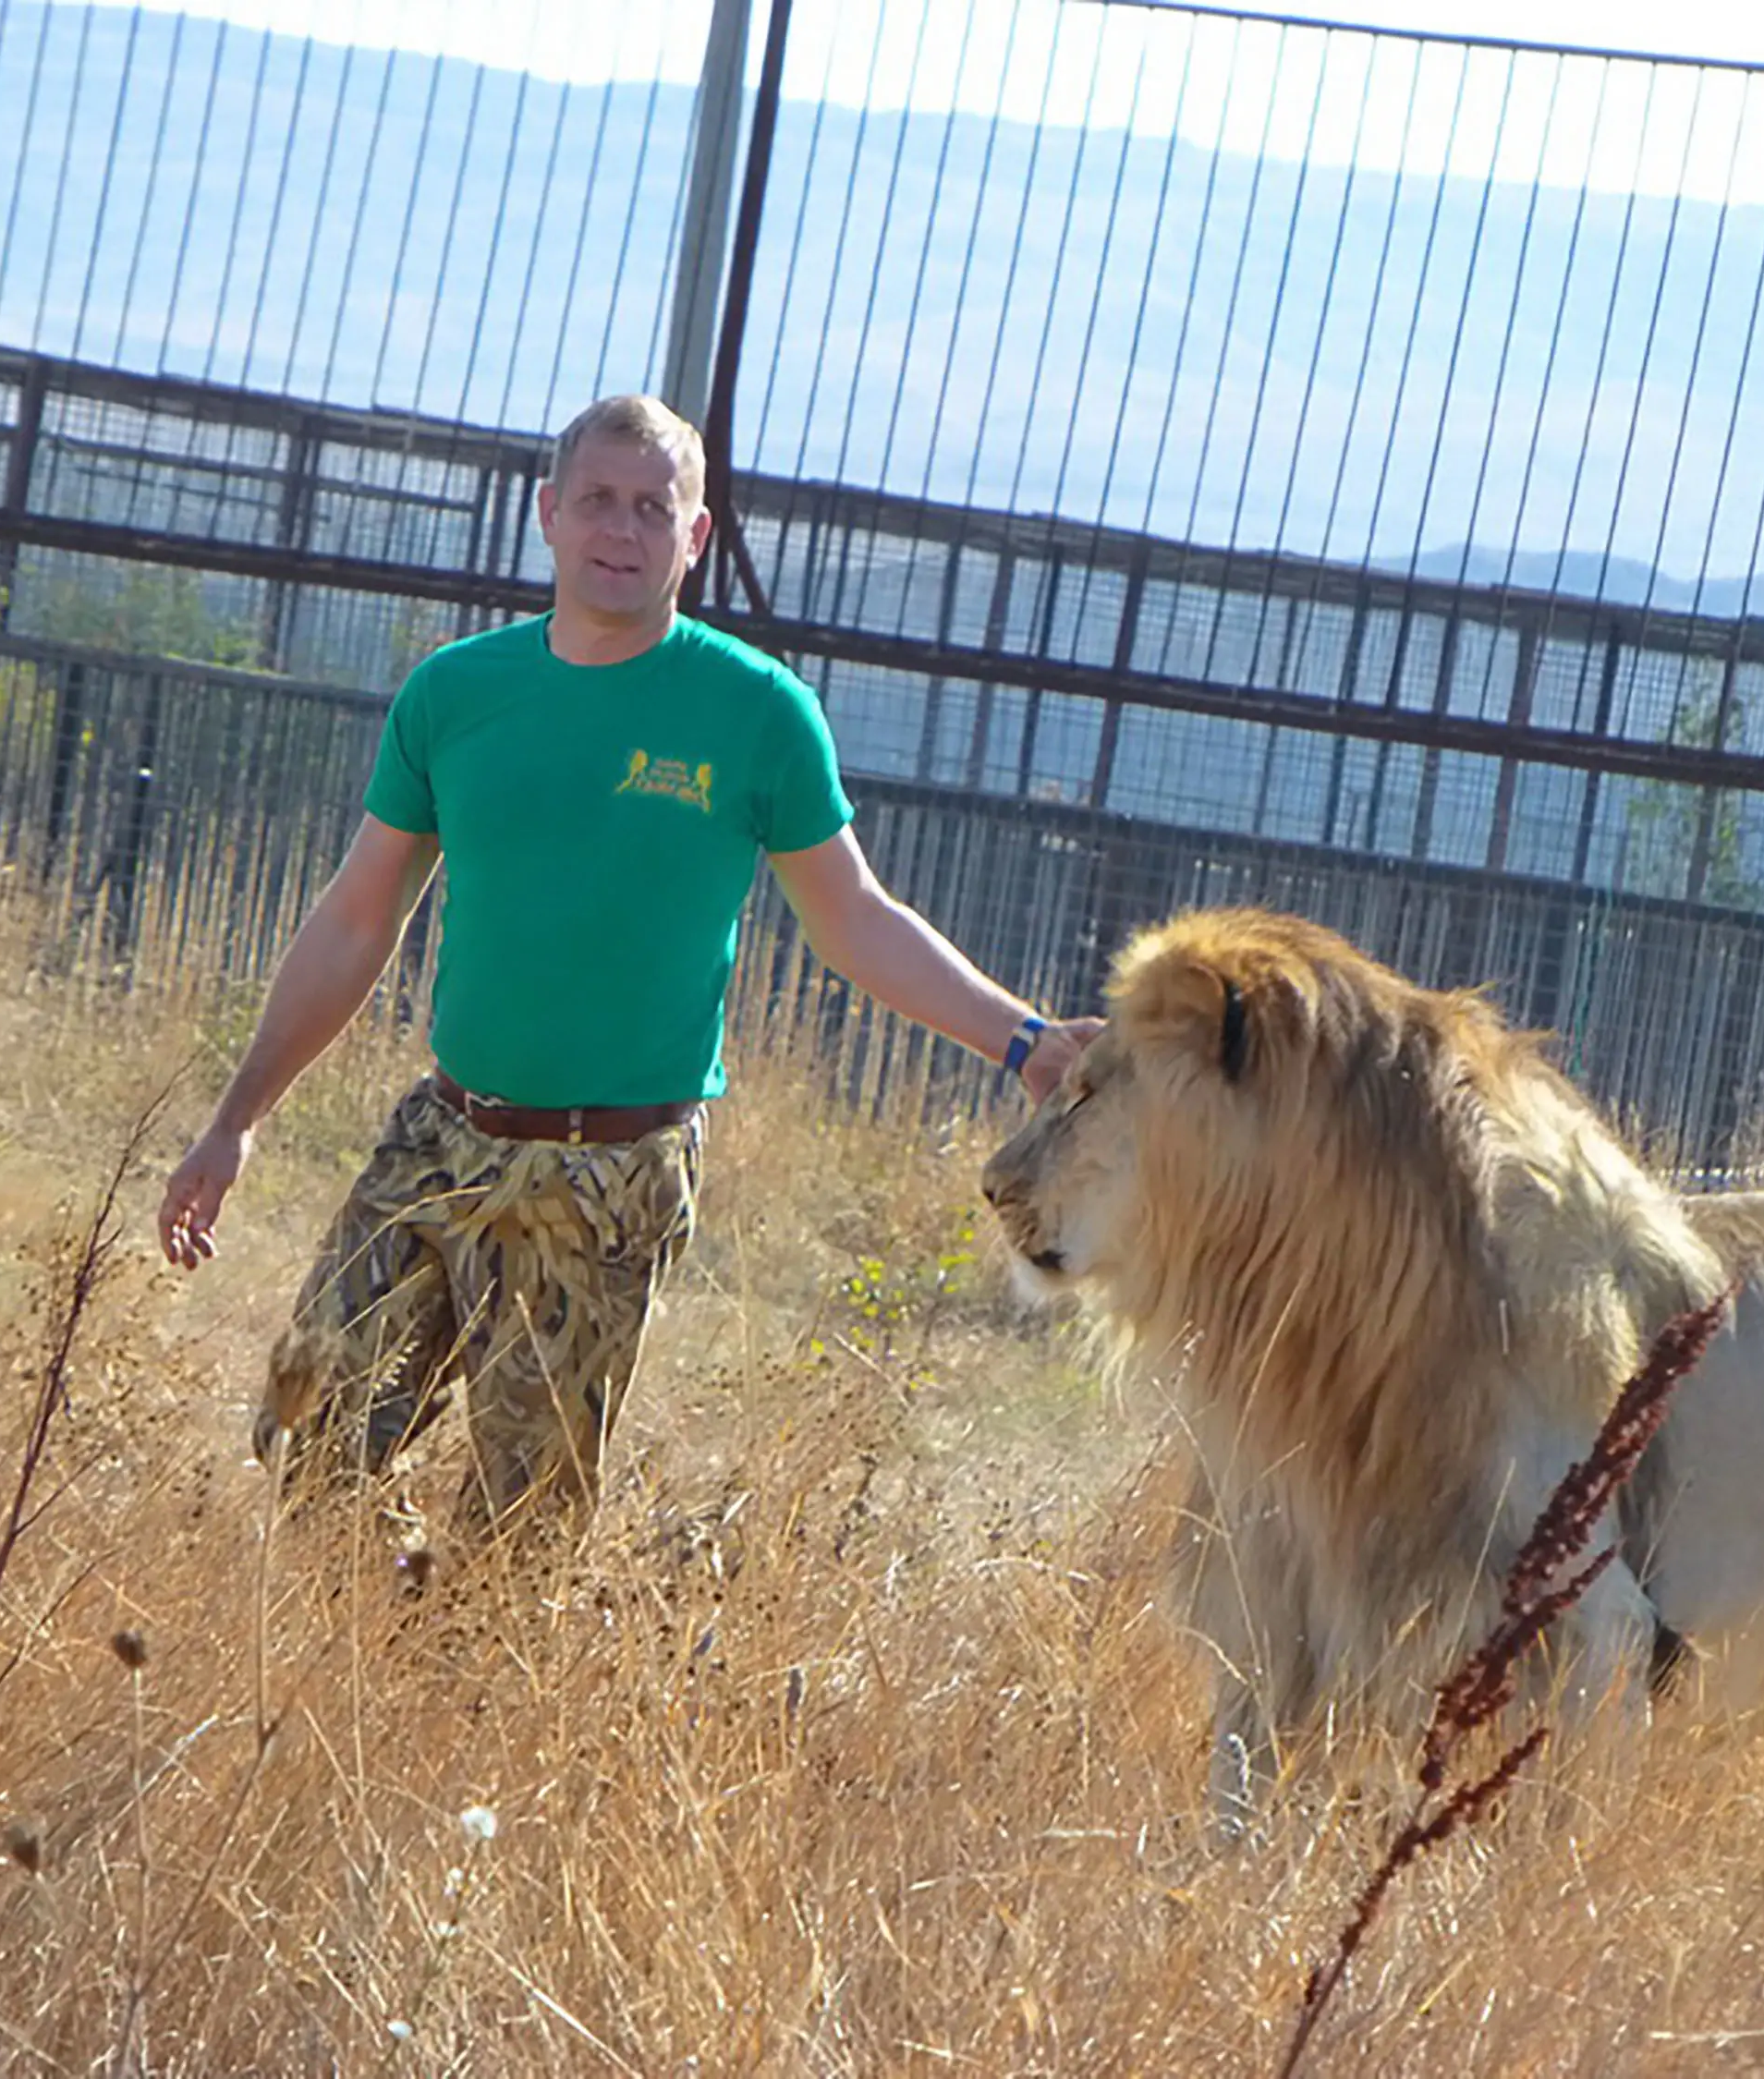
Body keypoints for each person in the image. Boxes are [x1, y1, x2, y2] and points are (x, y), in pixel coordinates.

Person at [156, 393, 1095, 1543]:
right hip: (442, 1142)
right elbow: (358, 921)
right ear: (548, 516)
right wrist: (236, 1119)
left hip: (611, 1174)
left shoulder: (756, 715)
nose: (623, 527)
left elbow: (856, 918)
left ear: (695, 539)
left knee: (517, 1536)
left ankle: (456, 1694)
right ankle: (341, 1684)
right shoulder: (455, 693)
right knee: (310, 1444)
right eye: (598, 500)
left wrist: (1024, 1040)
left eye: (656, 508)